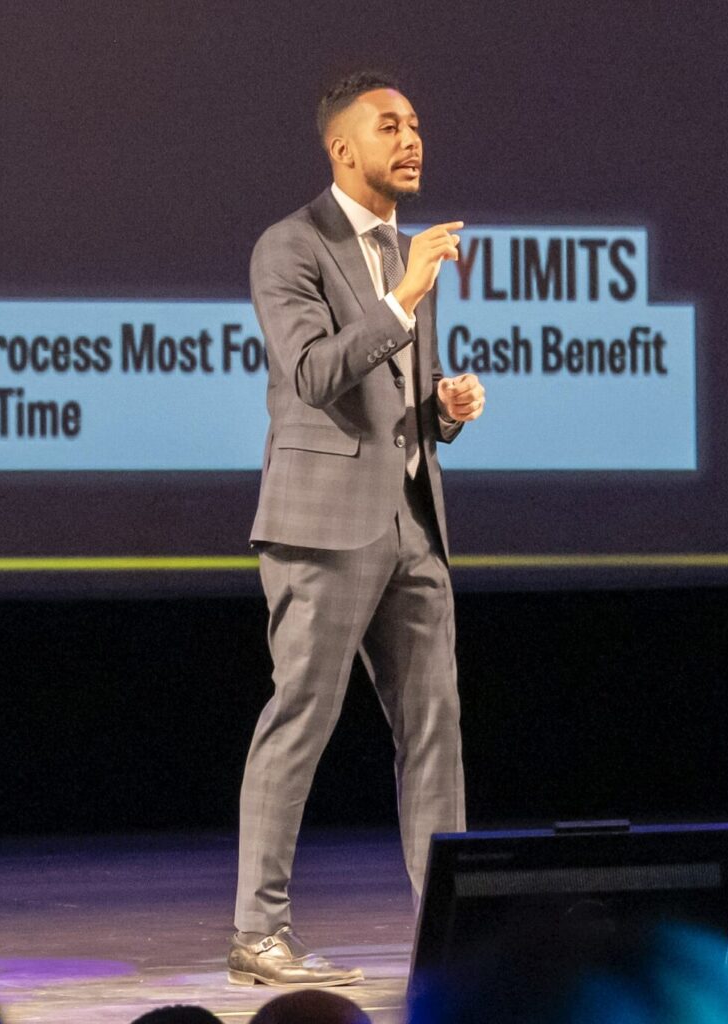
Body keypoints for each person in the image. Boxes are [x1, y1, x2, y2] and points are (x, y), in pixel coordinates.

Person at [231, 69, 487, 988]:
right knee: (301, 717)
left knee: (436, 728)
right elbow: (312, 374)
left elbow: (391, 396)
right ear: (342, 148)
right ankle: (259, 933)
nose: (411, 139)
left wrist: (443, 409)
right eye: (389, 127)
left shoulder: (407, 253)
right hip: (322, 526)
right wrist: (403, 297)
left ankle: (450, 931)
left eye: (415, 124)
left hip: (412, 520)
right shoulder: (290, 246)